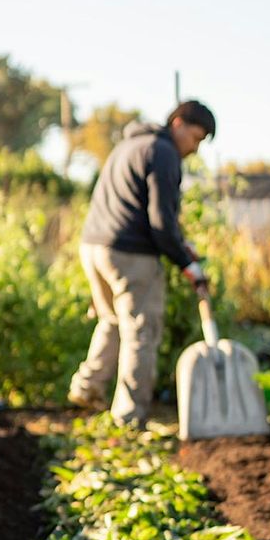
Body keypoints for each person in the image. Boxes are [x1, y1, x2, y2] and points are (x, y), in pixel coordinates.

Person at [68, 99, 216, 425]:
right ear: (178, 122)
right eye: (196, 137)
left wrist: (182, 245)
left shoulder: (129, 145)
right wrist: (187, 265)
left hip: (94, 246)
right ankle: (130, 417)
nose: (195, 148)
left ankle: (87, 386)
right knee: (142, 331)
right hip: (130, 254)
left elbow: (135, 208)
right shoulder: (163, 152)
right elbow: (161, 222)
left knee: (111, 320)